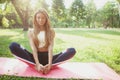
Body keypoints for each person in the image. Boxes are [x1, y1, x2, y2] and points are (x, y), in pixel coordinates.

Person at [9, 8, 76, 74]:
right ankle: (35, 66)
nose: (41, 20)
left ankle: (50, 66)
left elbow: (50, 48)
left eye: (43, 18)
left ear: (46, 19)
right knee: (13, 45)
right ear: (35, 18)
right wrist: (37, 63)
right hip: (34, 59)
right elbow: (34, 49)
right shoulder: (31, 32)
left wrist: (50, 63)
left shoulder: (51, 31)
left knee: (71, 50)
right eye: (38, 17)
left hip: (50, 58)